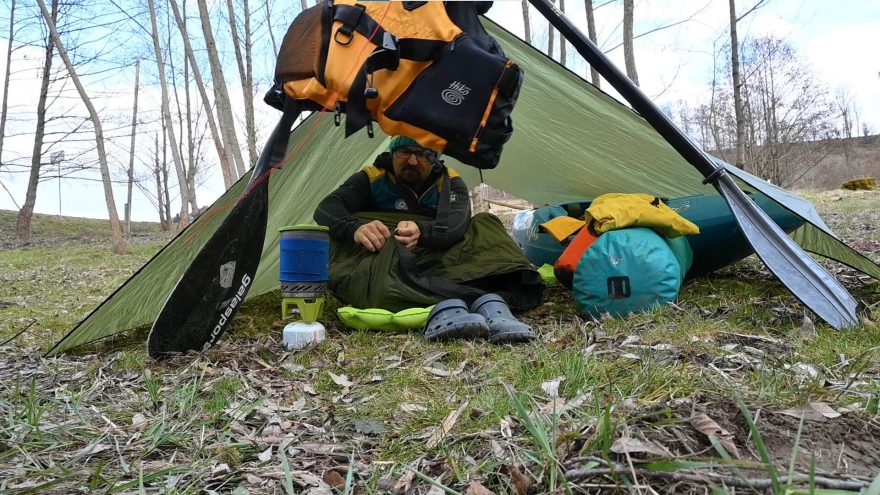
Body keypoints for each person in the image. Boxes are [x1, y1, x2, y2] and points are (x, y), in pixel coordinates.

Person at [314, 136, 543, 343]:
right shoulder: (372, 177)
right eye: (405, 152)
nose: (412, 161)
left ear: (434, 158)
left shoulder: (449, 180)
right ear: (393, 153)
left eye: (423, 154)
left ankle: (438, 298)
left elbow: (456, 225)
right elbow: (326, 208)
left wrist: (423, 232)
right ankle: (480, 301)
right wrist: (355, 227)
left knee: (485, 222)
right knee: (359, 255)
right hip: (385, 254)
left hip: (432, 253)